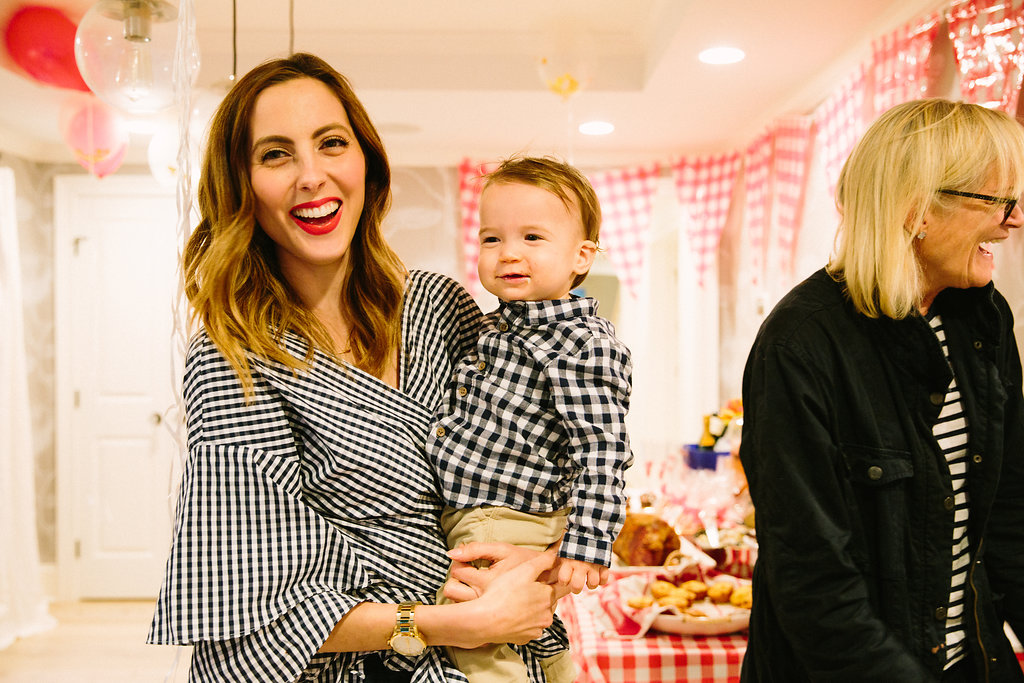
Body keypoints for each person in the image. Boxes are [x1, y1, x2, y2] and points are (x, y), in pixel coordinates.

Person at [147, 53, 571, 683]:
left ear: (365, 161)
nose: (311, 175)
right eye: (275, 154)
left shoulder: (439, 305)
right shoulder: (232, 357)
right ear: (242, 186)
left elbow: (547, 444)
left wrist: (549, 554)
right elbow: (246, 609)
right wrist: (446, 622)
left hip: (495, 659)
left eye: (331, 143)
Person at [739, 98, 1024, 682]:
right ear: (918, 210)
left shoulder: (984, 321)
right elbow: (813, 579)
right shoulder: (800, 344)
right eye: (1001, 202)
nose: (1014, 220)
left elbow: (1010, 519)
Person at [427, 156, 633, 681]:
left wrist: (588, 543)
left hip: (504, 514)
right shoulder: (499, 327)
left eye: (533, 237)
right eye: (491, 239)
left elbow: (600, 448)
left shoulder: (578, 342)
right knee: (525, 629)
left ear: (581, 256)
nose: (508, 253)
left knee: (473, 631)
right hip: (482, 510)